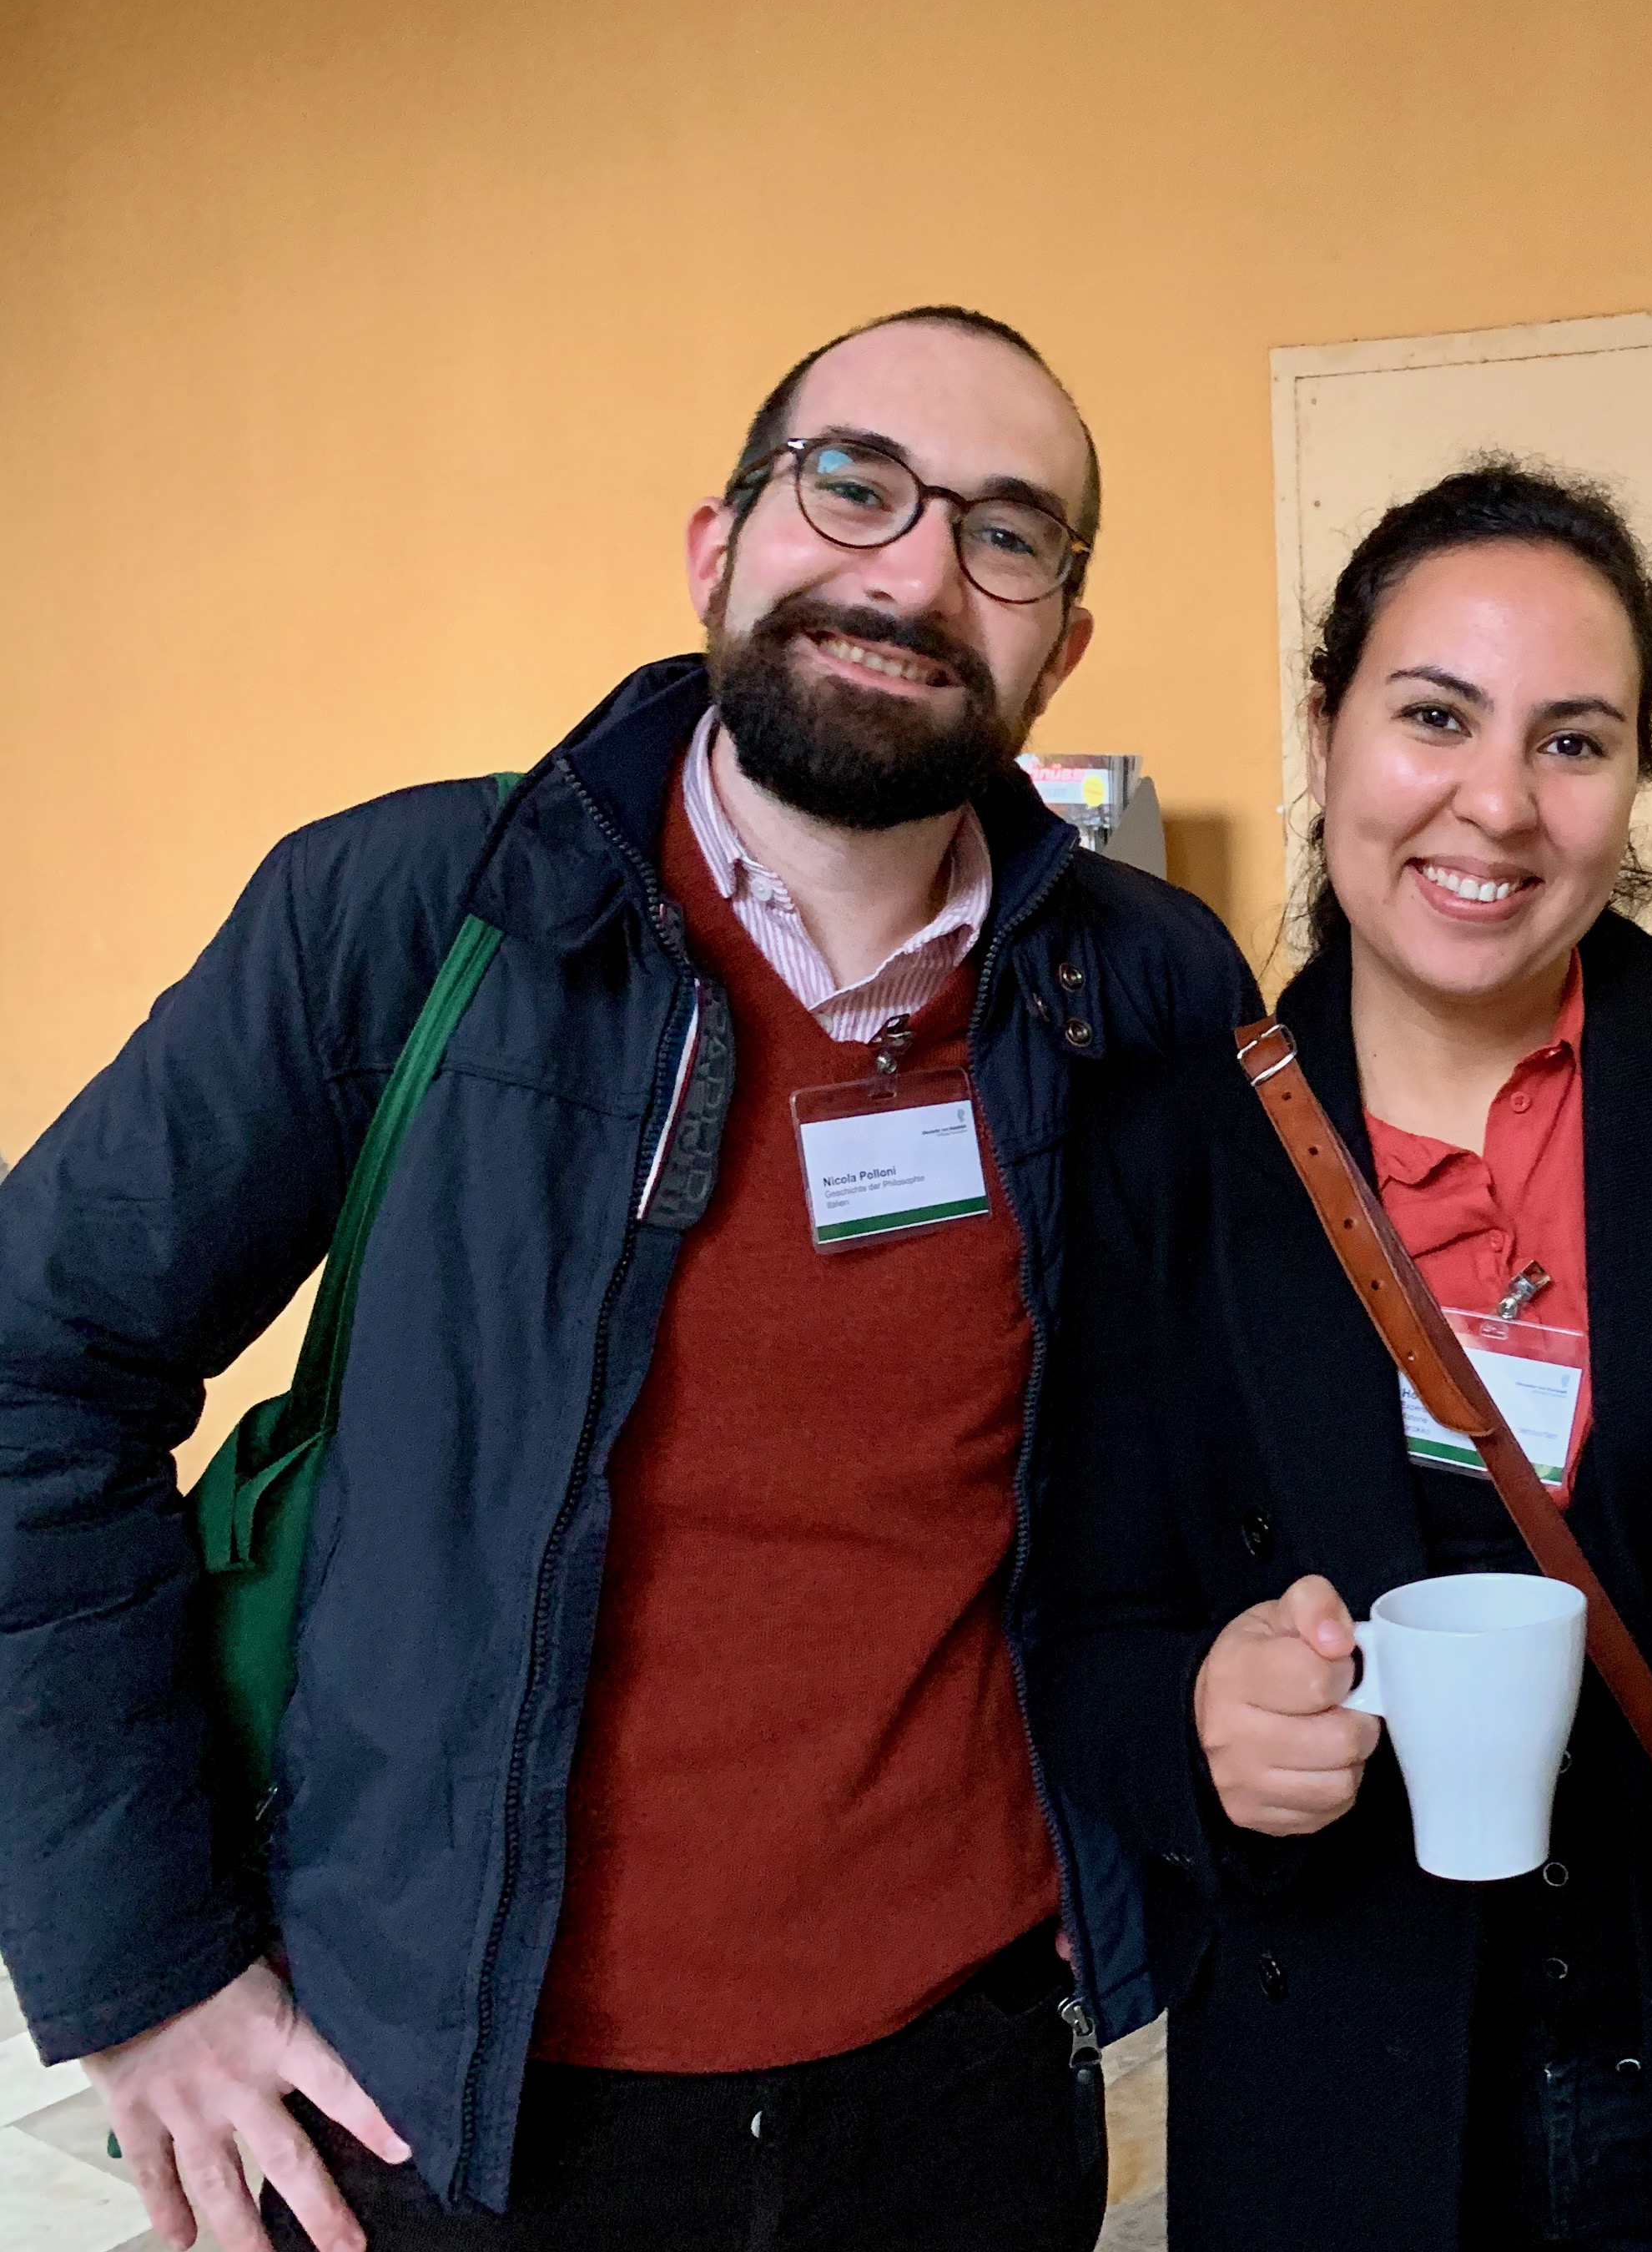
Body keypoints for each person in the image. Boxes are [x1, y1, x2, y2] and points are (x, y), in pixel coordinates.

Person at [0, 308, 1256, 2251]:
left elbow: (1195, 1461)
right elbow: (36, 1366)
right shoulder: (410, 916)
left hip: (968, 2095)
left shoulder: (1145, 990)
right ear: (717, 546)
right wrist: (146, 1968)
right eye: (854, 486)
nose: (917, 572)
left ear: (1061, 645)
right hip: (449, 2118)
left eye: (1006, 534)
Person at [1026, 465, 1652, 2251]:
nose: (1495, 803)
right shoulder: (1171, 1145)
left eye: (1573, 741)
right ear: (1328, 726)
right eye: (1434, 716)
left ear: (1634, 778)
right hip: (1347, 2085)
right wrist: (1196, 1723)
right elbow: (1079, 1629)